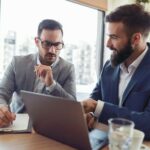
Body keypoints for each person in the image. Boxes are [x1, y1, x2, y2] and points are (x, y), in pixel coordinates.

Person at [82, 4, 150, 140]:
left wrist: (97, 108)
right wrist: (89, 114)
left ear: (136, 39)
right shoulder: (110, 65)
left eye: (114, 37)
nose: (107, 44)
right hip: (103, 141)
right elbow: (96, 96)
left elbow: (148, 123)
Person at [0, 19, 76, 127]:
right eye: (47, 44)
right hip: (17, 125)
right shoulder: (17, 63)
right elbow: (2, 93)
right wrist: (2, 109)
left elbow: (72, 108)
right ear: (37, 42)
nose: (52, 50)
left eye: (57, 44)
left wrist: (52, 85)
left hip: (50, 129)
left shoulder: (68, 69)